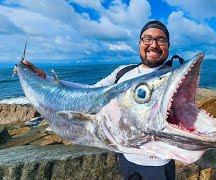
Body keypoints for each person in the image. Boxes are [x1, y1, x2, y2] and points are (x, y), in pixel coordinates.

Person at [23, 20, 176, 180]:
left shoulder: (174, 80)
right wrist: (45, 78)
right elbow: (90, 92)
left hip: (156, 165)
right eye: (147, 38)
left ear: (168, 45)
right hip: (126, 159)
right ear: (139, 43)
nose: (153, 44)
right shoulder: (123, 71)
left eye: (161, 39)